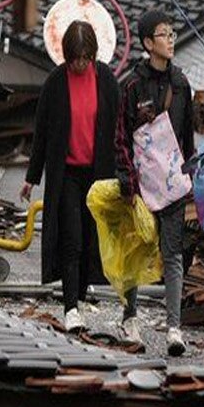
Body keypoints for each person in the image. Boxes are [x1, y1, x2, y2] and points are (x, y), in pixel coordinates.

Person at [21, 20, 122, 334]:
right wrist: (31, 177)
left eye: (85, 58)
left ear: (92, 54)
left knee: (92, 239)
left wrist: (124, 173)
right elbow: (42, 134)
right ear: (66, 56)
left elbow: (119, 130)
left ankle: (80, 295)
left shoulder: (105, 79)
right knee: (71, 239)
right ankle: (70, 308)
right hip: (66, 173)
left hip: (98, 173)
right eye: (75, 58)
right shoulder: (55, 83)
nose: (80, 64)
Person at [115, 9, 196, 354]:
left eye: (172, 34)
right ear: (148, 43)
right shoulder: (132, 85)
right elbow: (119, 136)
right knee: (136, 251)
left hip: (173, 183)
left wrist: (188, 174)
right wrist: (125, 179)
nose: (171, 40)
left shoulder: (181, 84)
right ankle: (129, 317)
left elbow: (187, 135)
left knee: (173, 254)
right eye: (164, 35)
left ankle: (174, 327)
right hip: (139, 183)